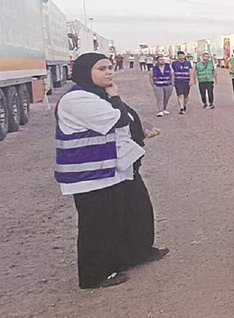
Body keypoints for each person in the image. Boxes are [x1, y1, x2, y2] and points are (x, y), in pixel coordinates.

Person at [55, 53, 167, 289]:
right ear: (86, 72)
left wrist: (142, 129)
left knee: (136, 210)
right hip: (91, 173)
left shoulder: (98, 94)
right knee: (98, 223)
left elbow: (127, 119)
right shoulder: (78, 99)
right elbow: (117, 120)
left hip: (116, 167)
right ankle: (94, 275)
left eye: (110, 67)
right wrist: (115, 96)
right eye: (101, 69)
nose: (109, 72)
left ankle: (137, 252)